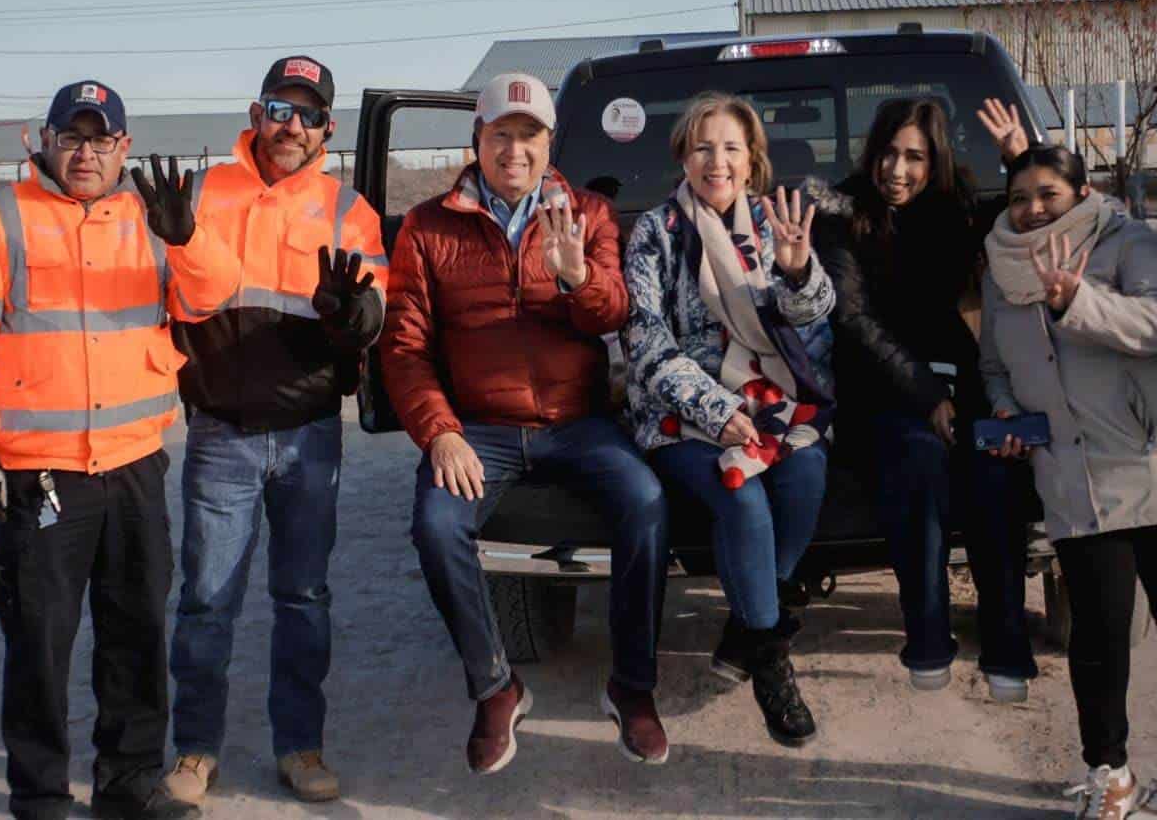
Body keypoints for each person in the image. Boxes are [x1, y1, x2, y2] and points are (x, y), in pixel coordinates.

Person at [0, 81, 239, 820]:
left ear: (124, 147)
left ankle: (129, 787)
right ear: (45, 140)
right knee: (39, 644)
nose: (86, 153)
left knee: (136, 632)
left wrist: (186, 235)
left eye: (101, 140)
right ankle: (38, 799)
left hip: (132, 464)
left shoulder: (156, 217)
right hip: (41, 476)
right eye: (72, 137)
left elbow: (209, 298)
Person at [383, 72, 670, 773]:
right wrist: (439, 431)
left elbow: (614, 315)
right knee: (437, 524)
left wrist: (576, 276)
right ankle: (495, 686)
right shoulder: (427, 226)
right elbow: (404, 346)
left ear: (550, 143)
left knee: (648, 502)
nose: (516, 149)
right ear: (476, 140)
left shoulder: (587, 213)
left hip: (577, 423)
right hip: (477, 426)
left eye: (530, 136)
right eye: (501, 134)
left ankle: (631, 688)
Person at [157, 57, 388, 812]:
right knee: (206, 601)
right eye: (277, 109)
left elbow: (377, 303)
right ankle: (195, 751)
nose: (291, 126)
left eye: (307, 114)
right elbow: (163, 298)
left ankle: (300, 746)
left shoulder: (348, 208)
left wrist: (355, 317)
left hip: (310, 434)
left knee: (303, 598)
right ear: (254, 115)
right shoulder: (200, 194)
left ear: (328, 128)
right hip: (221, 431)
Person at [979, 145, 1157, 820]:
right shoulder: (999, 268)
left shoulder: (1124, 241)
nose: (1033, 208)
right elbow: (994, 364)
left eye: (1049, 193)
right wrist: (1005, 409)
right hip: (1072, 472)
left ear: (1081, 192)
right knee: (1097, 635)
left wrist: (1077, 300)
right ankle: (1108, 773)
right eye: (1021, 195)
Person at [805, 97, 1039, 704]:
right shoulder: (841, 214)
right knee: (920, 460)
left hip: (966, 390)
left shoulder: (955, 212)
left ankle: (1008, 649)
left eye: (914, 156)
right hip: (881, 395)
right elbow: (854, 320)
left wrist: (1021, 160)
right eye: (888, 153)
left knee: (994, 474)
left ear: (936, 161)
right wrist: (927, 394)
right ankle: (929, 637)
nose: (897, 170)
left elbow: (1027, 221)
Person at [623, 91, 834, 747]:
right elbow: (648, 345)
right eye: (704, 146)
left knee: (807, 473)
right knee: (743, 501)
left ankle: (746, 624)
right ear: (684, 155)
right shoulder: (655, 233)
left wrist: (799, 272)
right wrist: (719, 413)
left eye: (732, 147)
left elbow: (814, 319)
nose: (718, 160)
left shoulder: (772, 229)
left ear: (752, 161)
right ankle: (770, 662)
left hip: (768, 401)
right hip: (680, 414)